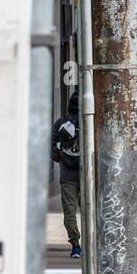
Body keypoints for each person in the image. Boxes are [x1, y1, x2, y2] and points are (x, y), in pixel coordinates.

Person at [52, 92, 82, 258]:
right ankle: (91, 241)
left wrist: (62, 158)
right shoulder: (89, 121)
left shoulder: (60, 123)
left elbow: (52, 147)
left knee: (69, 211)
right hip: (87, 174)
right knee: (89, 209)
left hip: (67, 175)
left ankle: (75, 245)